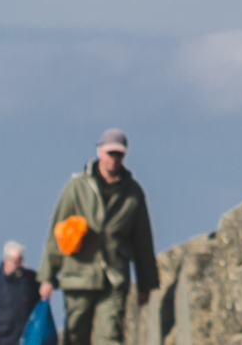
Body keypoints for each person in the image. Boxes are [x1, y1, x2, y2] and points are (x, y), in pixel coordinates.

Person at [39, 129, 158, 345]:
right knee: (75, 335)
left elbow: (143, 241)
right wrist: (47, 276)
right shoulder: (76, 188)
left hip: (114, 277)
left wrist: (146, 283)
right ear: (99, 151)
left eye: (119, 154)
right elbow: (57, 232)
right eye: (110, 153)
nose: (114, 159)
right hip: (78, 275)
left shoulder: (133, 193)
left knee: (110, 337)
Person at [0, 241, 41, 345]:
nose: (19, 264)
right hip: (2, 339)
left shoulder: (30, 278)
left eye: (21, 260)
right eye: (16, 261)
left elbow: (45, 287)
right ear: (7, 260)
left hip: (27, 338)